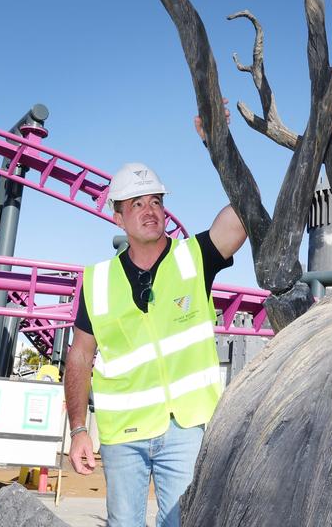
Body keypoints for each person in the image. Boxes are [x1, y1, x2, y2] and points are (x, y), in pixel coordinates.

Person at [64, 159, 246, 527]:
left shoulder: (194, 258)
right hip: (122, 434)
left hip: (186, 427)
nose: (150, 211)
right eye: (136, 204)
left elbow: (244, 214)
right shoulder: (97, 282)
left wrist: (216, 142)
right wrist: (80, 429)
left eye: (156, 202)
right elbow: (80, 357)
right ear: (118, 218)